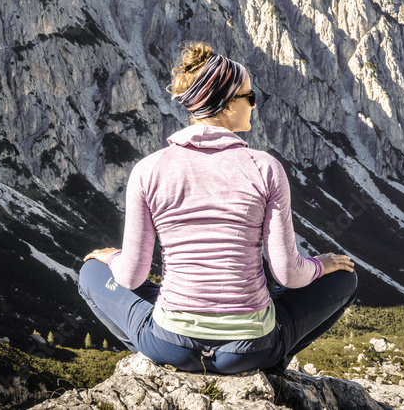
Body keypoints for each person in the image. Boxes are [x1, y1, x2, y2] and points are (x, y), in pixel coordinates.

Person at [77, 42, 357, 374]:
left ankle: (161, 360)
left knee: (90, 273)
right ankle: (271, 362)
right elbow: (289, 275)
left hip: (171, 343)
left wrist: (108, 257)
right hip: (250, 349)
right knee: (345, 278)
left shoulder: (148, 170)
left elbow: (132, 275)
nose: (254, 104)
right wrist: (322, 265)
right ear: (224, 106)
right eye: (249, 98)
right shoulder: (265, 168)